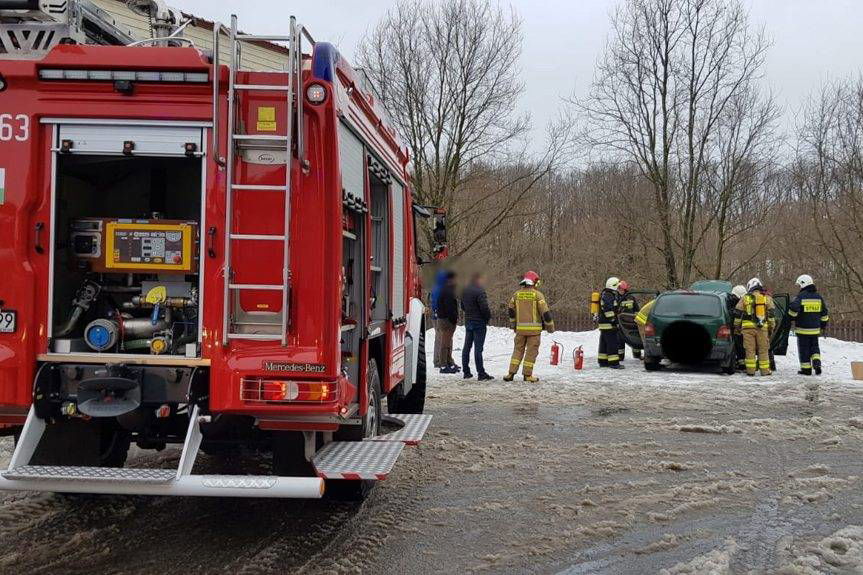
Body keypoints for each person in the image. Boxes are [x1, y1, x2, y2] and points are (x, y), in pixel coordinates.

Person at [504, 271, 555, 382]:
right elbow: (545, 313)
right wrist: (550, 327)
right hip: (534, 332)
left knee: (517, 350)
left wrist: (514, 325)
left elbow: (511, 311)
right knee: (531, 352)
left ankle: (511, 373)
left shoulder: (516, 295)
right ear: (534, 282)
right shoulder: (538, 295)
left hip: (520, 330)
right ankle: (527, 375)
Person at [788, 274, 830, 376]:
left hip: (803, 330)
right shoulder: (818, 297)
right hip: (815, 330)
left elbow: (793, 309)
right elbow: (824, 314)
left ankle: (806, 370)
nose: (799, 287)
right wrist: (822, 325)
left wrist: (791, 317)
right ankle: (817, 363)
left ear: (803, 284)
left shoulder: (801, 296)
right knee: (814, 347)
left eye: (799, 285)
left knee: (804, 350)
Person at [734, 277, 775, 376]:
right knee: (763, 350)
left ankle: (750, 371)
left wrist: (737, 327)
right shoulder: (766, 298)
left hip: (747, 330)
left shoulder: (745, 298)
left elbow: (738, 314)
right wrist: (771, 327)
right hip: (762, 328)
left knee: (750, 350)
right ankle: (765, 371)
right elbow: (771, 315)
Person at [461, 272, 494, 381]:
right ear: (478, 279)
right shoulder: (480, 291)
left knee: (467, 347)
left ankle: (466, 372)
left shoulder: (465, 290)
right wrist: (487, 318)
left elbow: (462, 306)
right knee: (478, 349)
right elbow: (484, 308)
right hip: (479, 322)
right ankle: (481, 373)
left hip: (469, 321)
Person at [437, 271, 460, 374]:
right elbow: (450, 307)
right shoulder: (448, 291)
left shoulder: (444, 289)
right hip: (447, 320)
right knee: (445, 343)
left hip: (444, 319)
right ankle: (443, 365)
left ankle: (448, 362)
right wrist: (453, 319)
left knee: (447, 342)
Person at [598, 276, 624, 369]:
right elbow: (608, 310)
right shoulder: (609, 295)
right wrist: (613, 321)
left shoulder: (606, 294)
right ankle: (614, 363)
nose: (618, 288)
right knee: (612, 343)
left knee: (604, 343)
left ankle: (603, 361)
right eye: (617, 286)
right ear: (613, 286)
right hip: (608, 323)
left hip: (604, 323)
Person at [616, 281, 641, 360]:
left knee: (635, 338)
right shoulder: (616, 298)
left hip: (631, 322)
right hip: (620, 322)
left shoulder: (631, 298)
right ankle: (620, 356)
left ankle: (637, 354)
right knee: (620, 339)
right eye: (619, 288)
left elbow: (637, 310)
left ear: (625, 289)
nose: (620, 290)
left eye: (621, 289)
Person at [430, 269, 449, 369]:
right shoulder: (440, 289)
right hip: (439, 316)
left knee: (439, 338)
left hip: (435, 315)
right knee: (440, 339)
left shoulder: (435, 287)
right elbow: (436, 303)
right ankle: (438, 360)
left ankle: (438, 360)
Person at [729, 284, 748, 371]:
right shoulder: (746, 302)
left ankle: (742, 364)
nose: (733, 298)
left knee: (740, 347)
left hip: (740, 329)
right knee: (741, 347)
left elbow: (737, 317)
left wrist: (736, 326)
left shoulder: (740, 303)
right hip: (743, 329)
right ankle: (742, 364)